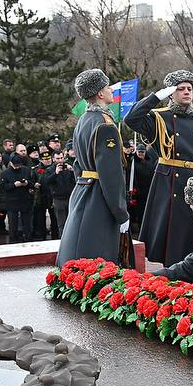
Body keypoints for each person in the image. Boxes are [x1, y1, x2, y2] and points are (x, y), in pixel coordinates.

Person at [126, 69, 193, 268]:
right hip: (169, 183)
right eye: (180, 88)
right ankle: (171, 276)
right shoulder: (159, 118)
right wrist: (156, 97)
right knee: (170, 239)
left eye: (189, 88)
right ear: (170, 93)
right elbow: (131, 118)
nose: (186, 92)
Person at [57, 68, 129, 266]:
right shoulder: (105, 125)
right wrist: (120, 212)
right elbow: (111, 175)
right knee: (99, 259)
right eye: (108, 87)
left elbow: (78, 165)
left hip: (83, 190)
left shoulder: (83, 120)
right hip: (100, 197)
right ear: (100, 93)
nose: (111, 90)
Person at [41, 151, 75, 234]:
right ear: (53, 159)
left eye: (61, 158)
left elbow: (76, 180)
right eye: (58, 158)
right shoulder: (49, 170)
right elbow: (46, 182)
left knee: (72, 221)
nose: (60, 160)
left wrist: (72, 170)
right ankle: (63, 238)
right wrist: (55, 173)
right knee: (61, 223)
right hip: (58, 199)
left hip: (70, 197)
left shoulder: (68, 167)